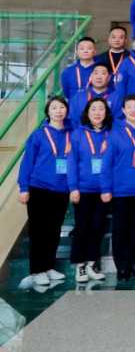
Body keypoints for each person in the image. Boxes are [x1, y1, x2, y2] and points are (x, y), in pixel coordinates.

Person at [17, 95, 72, 286]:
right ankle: (37, 270)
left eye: (62, 107)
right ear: (48, 112)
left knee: (54, 230)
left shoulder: (71, 134)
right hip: (39, 188)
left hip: (62, 189)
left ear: (67, 111)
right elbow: (27, 163)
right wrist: (23, 187)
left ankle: (48, 266)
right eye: (54, 108)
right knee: (38, 231)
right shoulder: (38, 135)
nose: (58, 111)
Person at [103, 94, 135, 280]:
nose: (133, 110)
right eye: (129, 107)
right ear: (123, 111)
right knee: (121, 230)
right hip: (121, 190)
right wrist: (106, 189)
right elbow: (106, 164)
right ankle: (122, 267)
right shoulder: (116, 133)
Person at [68, 98, 112, 283]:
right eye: (93, 109)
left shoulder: (111, 134)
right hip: (83, 189)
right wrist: (73, 188)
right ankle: (80, 265)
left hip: (103, 190)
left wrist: (109, 188)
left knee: (98, 227)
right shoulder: (78, 134)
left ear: (106, 113)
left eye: (101, 109)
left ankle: (92, 263)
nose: (97, 112)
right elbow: (71, 163)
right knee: (82, 228)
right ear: (87, 112)